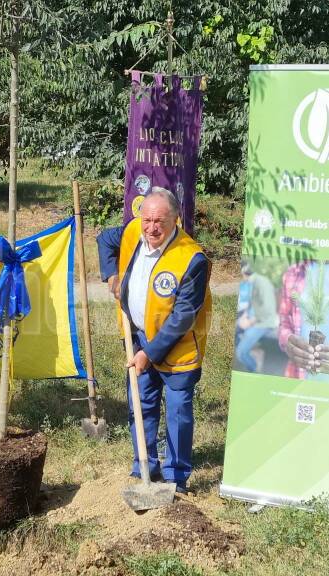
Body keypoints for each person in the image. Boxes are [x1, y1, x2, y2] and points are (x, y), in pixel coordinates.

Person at [97, 188, 212, 494]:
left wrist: (149, 353)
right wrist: (112, 276)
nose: (151, 228)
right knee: (142, 404)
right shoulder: (135, 230)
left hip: (178, 347)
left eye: (159, 221)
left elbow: (183, 317)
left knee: (177, 412)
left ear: (176, 219)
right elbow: (105, 240)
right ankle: (144, 465)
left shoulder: (192, 258)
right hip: (137, 337)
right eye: (147, 219)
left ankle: (176, 478)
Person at [235, 261, 278, 373]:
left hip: (263, 323)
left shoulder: (262, 283)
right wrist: (244, 316)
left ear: (244, 271)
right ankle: (254, 352)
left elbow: (267, 310)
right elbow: (251, 304)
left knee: (241, 353)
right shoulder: (252, 282)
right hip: (253, 320)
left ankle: (254, 371)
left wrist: (249, 322)